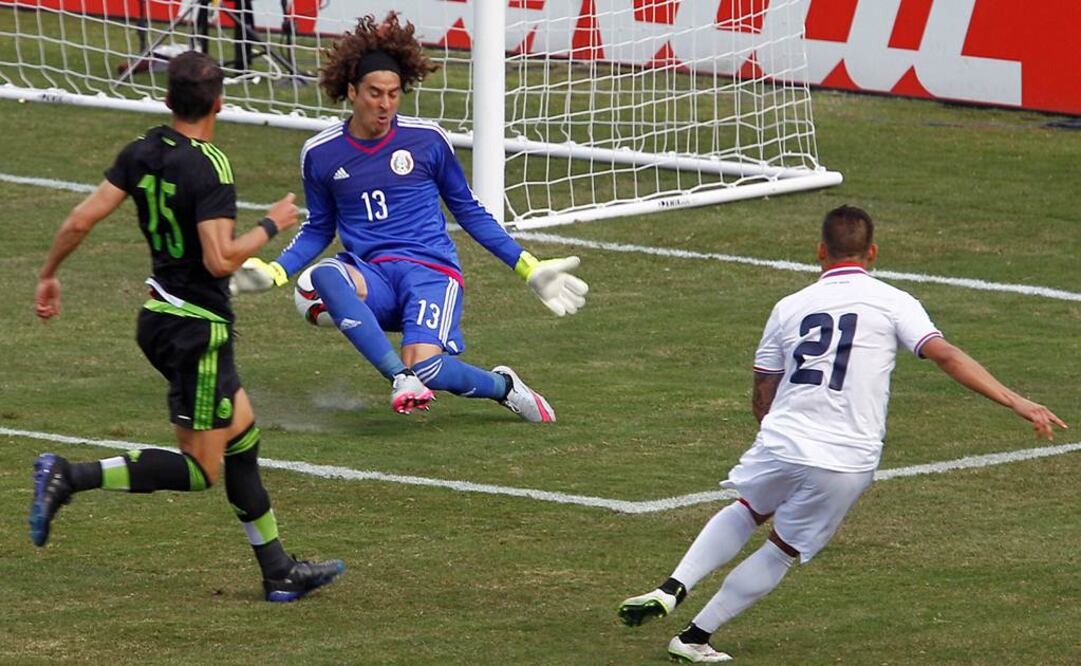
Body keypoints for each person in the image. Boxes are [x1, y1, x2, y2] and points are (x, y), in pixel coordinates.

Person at [617, 205, 1067, 662]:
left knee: (750, 507)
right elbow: (944, 354)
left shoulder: (788, 306)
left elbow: (762, 389)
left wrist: (778, 436)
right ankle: (694, 638)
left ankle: (672, 587)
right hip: (847, 457)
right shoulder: (894, 301)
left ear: (819, 251)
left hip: (783, 439)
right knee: (781, 549)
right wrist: (1017, 401)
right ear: (872, 252)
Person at [30, 50, 345, 603]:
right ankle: (68, 475)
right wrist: (273, 223)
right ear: (219, 102)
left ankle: (278, 571)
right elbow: (221, 260)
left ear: (168, 98)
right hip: (197, 331)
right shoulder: (210, 166)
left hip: (158, 318)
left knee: (243, 436)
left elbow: (82, 218)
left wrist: (49, 275)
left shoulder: (141, 151)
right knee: (202, 468)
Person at [232, 13, 588, 420]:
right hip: (374, 278)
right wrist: (276, 272)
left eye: (394, 94)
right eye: (374, 93)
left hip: (431, 273)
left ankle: (503, 385)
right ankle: (401, 379)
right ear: (351, 91)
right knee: (324, 275)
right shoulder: (321, 154)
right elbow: (318, 228)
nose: (385, 105)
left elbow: (469, 211)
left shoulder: (427, 141)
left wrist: (529, 268)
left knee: (430, 369)